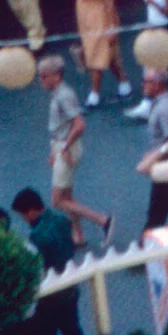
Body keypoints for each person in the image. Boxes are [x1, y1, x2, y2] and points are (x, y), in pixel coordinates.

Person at [38, 55, 114, 250]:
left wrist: (63, 147)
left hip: (66, 150)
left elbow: (79, 124)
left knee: (58, 201)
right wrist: (54, 150)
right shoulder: (58, 94)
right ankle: (78, 235)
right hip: (61, 147)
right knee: (68, 197)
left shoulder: (64, 96)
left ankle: (102, 220)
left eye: (44, 76)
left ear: (56, 76)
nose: (41, 80)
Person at [12, 187, 85, 335]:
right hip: (70, 287)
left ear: (30, 211)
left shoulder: (37, 236)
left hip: (50, 297)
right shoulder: (62, 220)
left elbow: (38, 266)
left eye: (23, 215)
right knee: (73, 334)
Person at [73, 0, 131, 108]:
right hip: (87, 22)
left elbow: (109, 5)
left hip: (100, 23)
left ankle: (94, 95)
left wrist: (111, 28)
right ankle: (124, 83)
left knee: (95, 57)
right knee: (110, 55)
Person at [136, 67, 168, 233]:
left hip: (166, 167)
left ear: (157, 84)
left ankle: (146, 254)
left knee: (156, 214)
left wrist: (156, 156)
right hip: (165, 162)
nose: (143, 84)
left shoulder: (163, 109)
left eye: (146, 81)